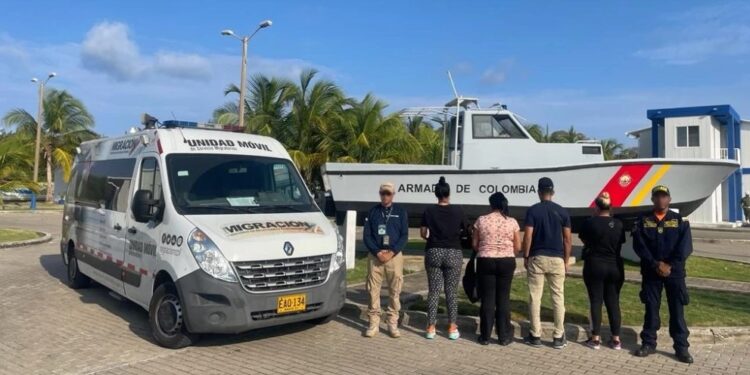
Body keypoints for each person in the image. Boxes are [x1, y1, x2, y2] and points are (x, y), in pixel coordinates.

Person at [632, 185, 694, 364]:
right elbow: (640, 246)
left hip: (674, 274)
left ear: (669, 199)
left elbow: (685, 247)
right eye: (657, 196)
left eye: (664, 196)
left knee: (677, 311)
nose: (660, 199)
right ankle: (649, 343)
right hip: (652, 272)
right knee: (651, 309)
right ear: (652, 199)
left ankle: (681, 348)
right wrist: (656, 264)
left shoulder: (680, 220)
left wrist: (670, 266)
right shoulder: (643, 220)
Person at [522, 177, 572, 349]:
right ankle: (558, 335)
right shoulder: (563, 212)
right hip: (557, 258)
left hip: (537, 257)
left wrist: (526, 256)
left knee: (535, 297)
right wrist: (566, 260)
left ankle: (535, 334)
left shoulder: (533, 211)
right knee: (558, 297)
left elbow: (528, 235)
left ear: (538, 192)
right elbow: (567, 239)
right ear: (553, 192)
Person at [420, 176, 469, 340]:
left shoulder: (429, 211)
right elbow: (467, 231)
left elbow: (422, 233)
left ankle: (430, 327)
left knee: (433, 291)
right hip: (454, 252)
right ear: (449, 194)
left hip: (434, 251)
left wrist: (431, 239)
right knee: (451, 292)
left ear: (436, 194)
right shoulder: (459, 210)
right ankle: (452, 327)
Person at [472, 192, 521, 346]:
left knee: (487, 298)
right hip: (506, 260)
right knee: (503, 298)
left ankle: (485, 336)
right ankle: (504, 336)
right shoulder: (512, 222)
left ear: (491, 204)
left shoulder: (481, 220)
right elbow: (518, 246)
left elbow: (474, 244)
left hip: (485, 260)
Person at [578, 192, 625, 350]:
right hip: (615, 265)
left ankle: (596, 338)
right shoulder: (618, 224)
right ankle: (616, 339)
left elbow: (584, 238)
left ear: (596, 207)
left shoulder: (590, 222)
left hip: (595, 264)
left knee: (596, 300)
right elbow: (620, 243)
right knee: (613, 302)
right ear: (610, 207)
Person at [362, 182, 409, 338]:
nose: (385, 196)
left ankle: (392, 323)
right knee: (372, 291)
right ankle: (373, 323)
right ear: (379, 193)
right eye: (383, 193)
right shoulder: (373, 212)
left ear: (393, 195)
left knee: (394, 291)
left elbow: (404, 236)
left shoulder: (401, 212)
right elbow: (367, 236)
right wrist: (377, 252)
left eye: (388, 193)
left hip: (394, 256)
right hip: (375, 256)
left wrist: (392, 252)